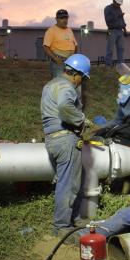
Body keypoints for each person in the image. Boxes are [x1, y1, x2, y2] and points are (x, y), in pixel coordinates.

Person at [41, 54, 93, 235]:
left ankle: (74, 220)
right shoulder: (67, 87)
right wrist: (82, 120)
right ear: (76, 74)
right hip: (65, 140)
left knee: (65, 182)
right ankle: (62, 227)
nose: (81, 83)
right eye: (82, 78)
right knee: (68, 185)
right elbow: (64, 107)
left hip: (51, 139)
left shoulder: (50, 85)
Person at [43, 9, 78, 77]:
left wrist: (74, 56)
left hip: (70, 62)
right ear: (56, 19)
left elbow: (75, 44)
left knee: (70, 82)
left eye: (66, 18)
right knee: (59, 84)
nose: (64, 20)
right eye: (61, 18)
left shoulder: (69, 30)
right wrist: (55, 59)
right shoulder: (51, 31)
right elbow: (45, 47)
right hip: (59, 62)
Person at [104, 0, 127, 66]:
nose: (119, 5)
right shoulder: (107, 8)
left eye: (120, 4)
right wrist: (118, 16)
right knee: (110, 49)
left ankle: (121, 65)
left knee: (121, 49)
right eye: (118, 4)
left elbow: (122, 19)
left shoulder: (119, 9)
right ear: (114, 1)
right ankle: (108, 65)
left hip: (120, 31)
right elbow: (108, 20)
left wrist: (125, 29)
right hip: (112, 30)